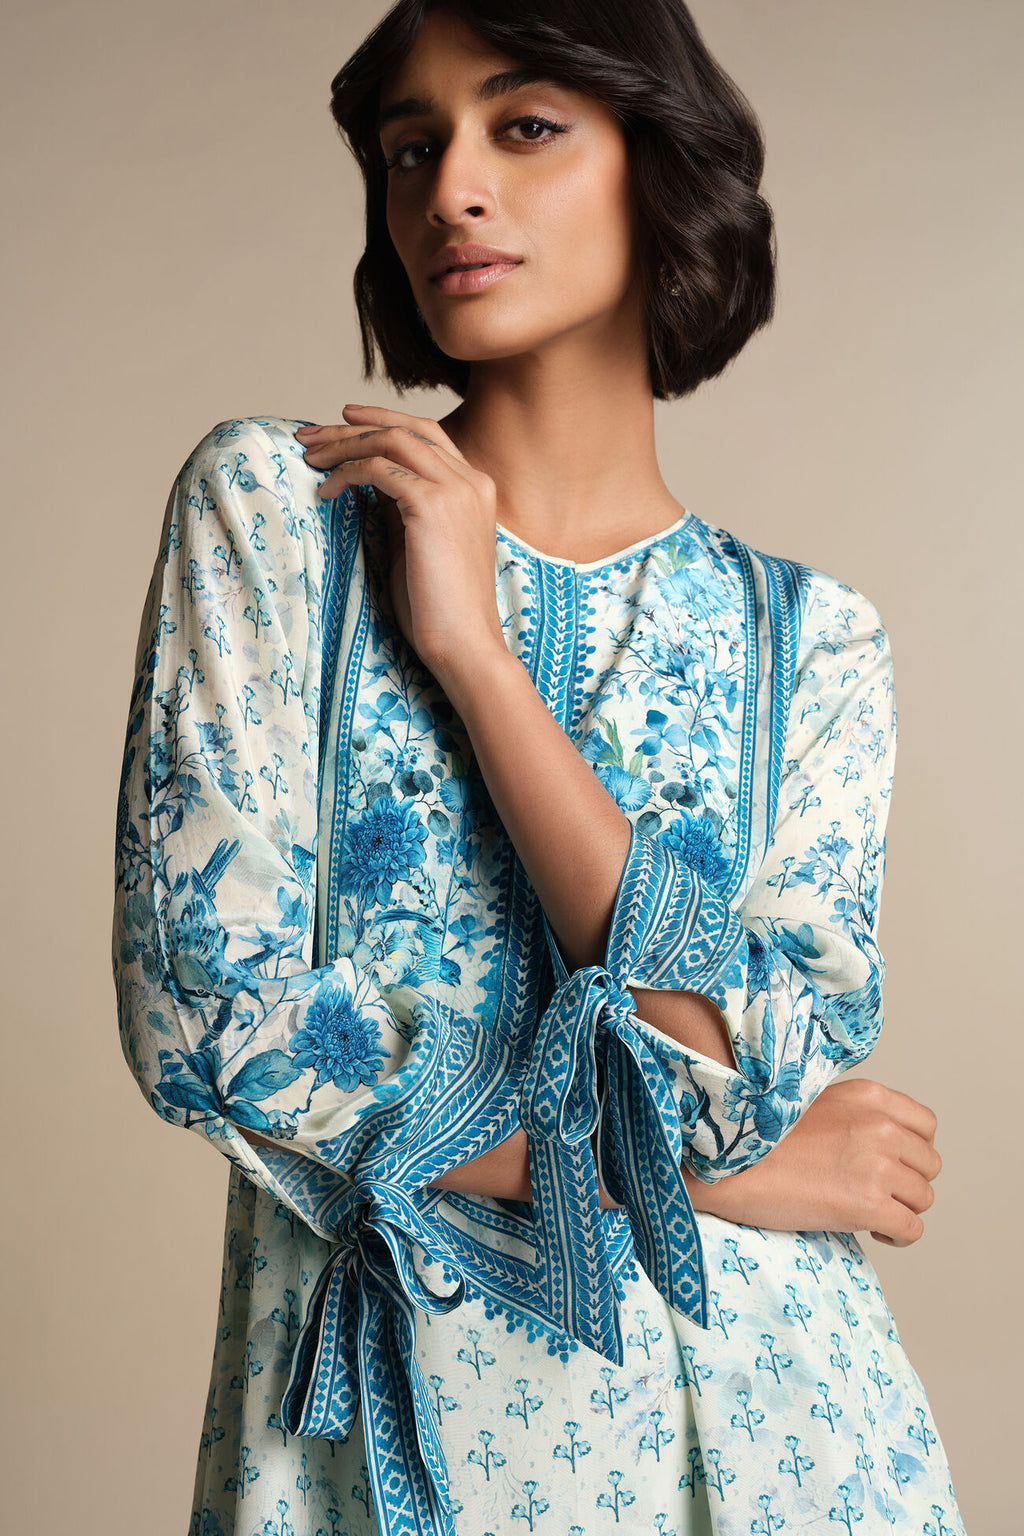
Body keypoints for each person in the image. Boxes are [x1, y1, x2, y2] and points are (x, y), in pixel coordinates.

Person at [111, 2, 968, 1533]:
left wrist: (480, 663)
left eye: (524, 126)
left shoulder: (815, 646)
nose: (448, 186)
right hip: (394, 1455)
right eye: (409, 148)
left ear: (663, 168)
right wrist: (723, 1183)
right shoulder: (274, 517)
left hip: (789, 1445)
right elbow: (219, 1034)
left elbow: (737, 1072)